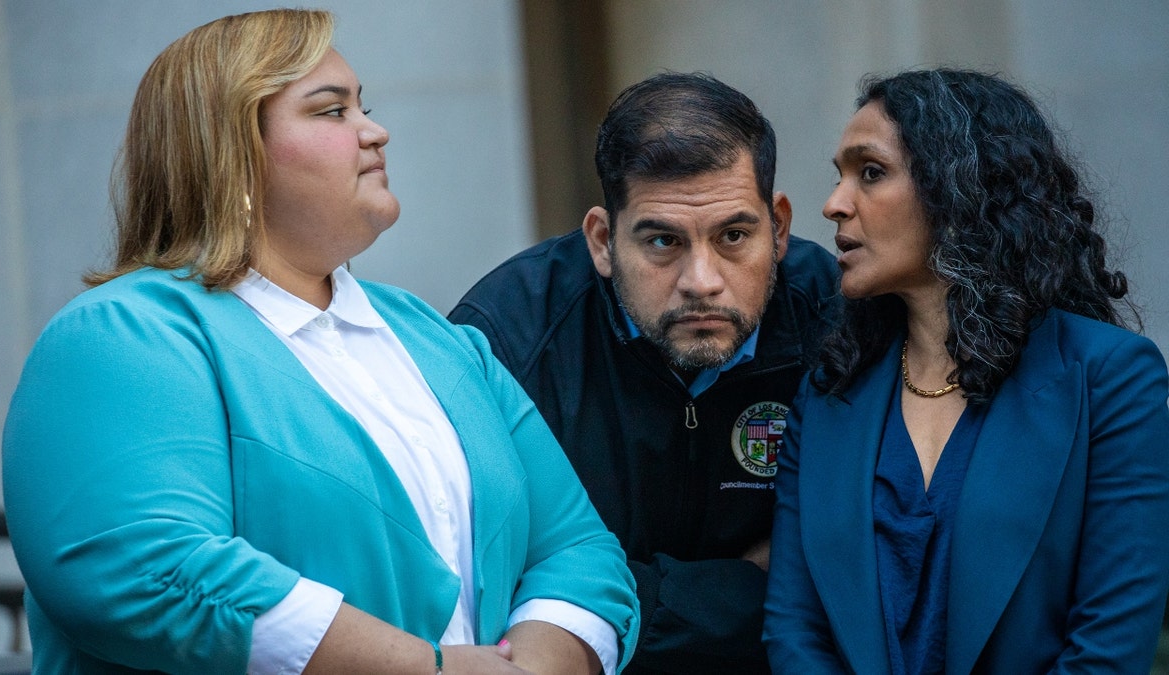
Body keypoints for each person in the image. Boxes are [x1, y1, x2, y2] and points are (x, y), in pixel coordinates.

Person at [1, 9, 639, 674]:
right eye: (332, 111)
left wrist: (532, 667)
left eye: (363, 106)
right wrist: (432, 669)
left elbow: (574, 546)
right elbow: (145, 564)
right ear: (232, 152)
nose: (375, 130)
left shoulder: (438, 339)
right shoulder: (124, 335)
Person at [762, 68, 1169, 673]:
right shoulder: (827, 396)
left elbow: (1109, 645)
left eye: (870, 173)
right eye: (839, 175)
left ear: (959, 187)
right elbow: (795, 629)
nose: (833, 204)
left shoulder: (1109, 380)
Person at [450, 72, 840, 673]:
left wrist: (607, 593)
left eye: (734, 235)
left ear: (780, 227)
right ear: (603, 241)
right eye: (662, 241)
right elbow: (494, 585)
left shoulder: (841, 323)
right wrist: (748, 584)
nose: (702, 281)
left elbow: (857, 565)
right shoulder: (506, 340)